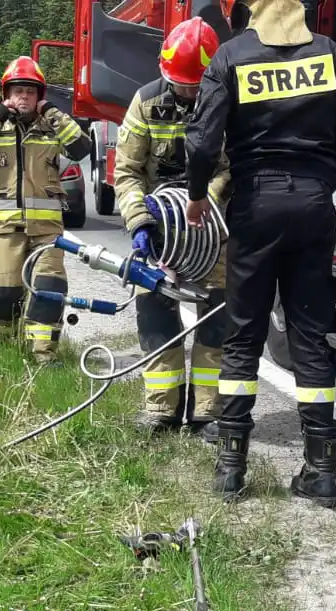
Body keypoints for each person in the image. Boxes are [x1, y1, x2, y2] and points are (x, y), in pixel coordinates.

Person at [183, 0, 336, 507]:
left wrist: (198, 195)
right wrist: (318, 182)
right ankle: (322, 473)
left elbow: (202, 143)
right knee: (310, 336)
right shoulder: (331, 54)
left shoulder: (232, 56)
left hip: (255, 205)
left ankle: (230, 470)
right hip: (313, 205)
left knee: (244, 335)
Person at [113, 16, 233, 439]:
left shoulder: (227, 102)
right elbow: (126, 170)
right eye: (180, 84)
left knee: (216, 319)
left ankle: (206, 414)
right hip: (160, 232)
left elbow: (230, 166)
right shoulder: (146, 102)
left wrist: (204, 203)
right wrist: (140, 221)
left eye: (194, 85)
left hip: (212, 235)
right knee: (155, 315)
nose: (186, 92)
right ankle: (161, 410)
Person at [0, 57, 93, 363]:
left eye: (30, 92)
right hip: (6, 228)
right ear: (6, 94)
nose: (23, 97)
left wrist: (53, 113)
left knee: (49, 293)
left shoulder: (52, 126)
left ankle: (44, 357)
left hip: (48, 232)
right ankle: (7, 347)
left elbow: (82, 149)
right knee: (3, 296)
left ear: (40, 95)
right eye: (17, 90)